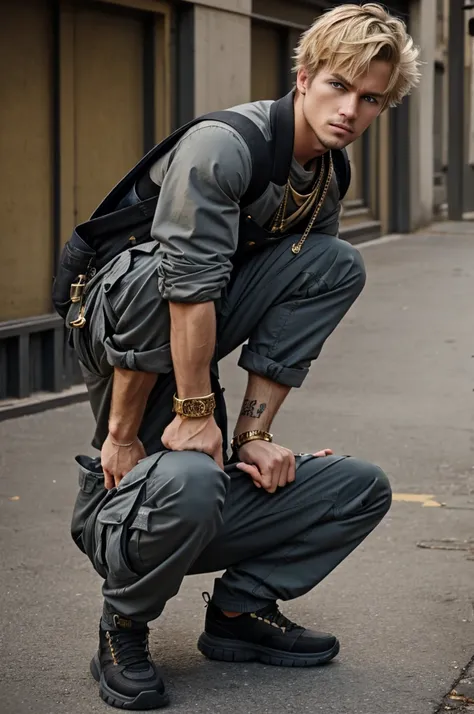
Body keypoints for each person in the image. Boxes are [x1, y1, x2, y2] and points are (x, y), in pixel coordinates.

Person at [67, 3, 420, 710]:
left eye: (371, 98)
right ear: (304, 76)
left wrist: (253, 437)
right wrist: (135, 429)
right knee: (192, 475)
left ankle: (238, 613)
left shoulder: (324, 175)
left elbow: (289, 292)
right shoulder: (224, 146)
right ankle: (122, 623)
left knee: (360, 482)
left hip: (198, 337)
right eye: (338, 86)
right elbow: (182, 289)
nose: (350, 109)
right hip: (123, 332)